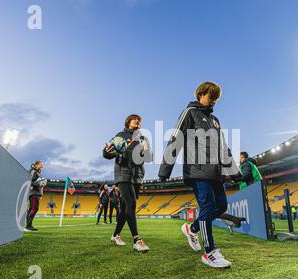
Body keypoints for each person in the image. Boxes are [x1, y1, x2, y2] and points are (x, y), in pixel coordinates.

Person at [158, 81, 241, 268]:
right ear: (201, 94)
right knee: (207, 206)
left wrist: (235, 172)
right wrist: (165, 170)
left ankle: (192, 228)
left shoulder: (215, 120)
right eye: (212, 96)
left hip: (216, 172)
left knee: (220, 206)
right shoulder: (189, 113)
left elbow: (223, 148)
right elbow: (175, 139)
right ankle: (209, 252)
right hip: (197, 171)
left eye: (216, 99)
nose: (214, 101)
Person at [103, 114, 153, 253]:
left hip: (136, 176)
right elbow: (107, 153)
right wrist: (107, 151)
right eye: (134, 119)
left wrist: (146, 149)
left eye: (139, 120)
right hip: (123, 174)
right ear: (128, 122)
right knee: (131, 204)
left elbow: (148, 158)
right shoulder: (121, 136)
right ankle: (137, 240)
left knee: (126, 210)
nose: (137, 121)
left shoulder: (143, 138)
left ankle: (115, 235)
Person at [26, 160, 46, 231]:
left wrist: (42, 183)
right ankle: (28, 226)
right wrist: (39, 184)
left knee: (32, 208)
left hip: (36, 193)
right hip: (34, 193)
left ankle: (29, 225)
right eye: (41, 164)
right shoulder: (33, 171)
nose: (42, 166)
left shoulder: (37, 172)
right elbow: (29, 181)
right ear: (36, 165)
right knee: (34, 208)